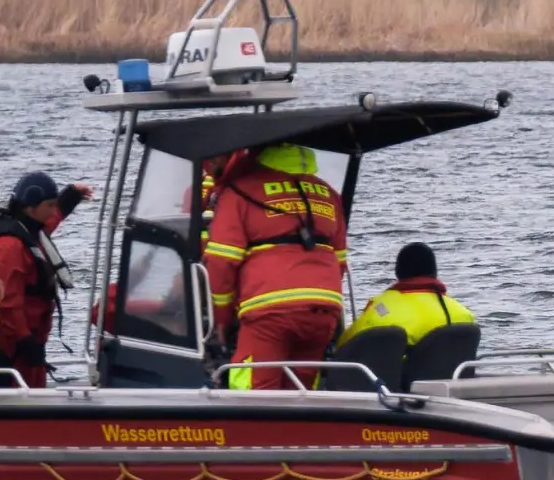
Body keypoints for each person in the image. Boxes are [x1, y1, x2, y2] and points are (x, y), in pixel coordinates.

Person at [202, 143, 348, 390]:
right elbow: (340, 260)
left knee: (252, 388)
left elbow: (221, 261)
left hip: (269, 310)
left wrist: (221, 319)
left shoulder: (239, 192)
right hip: (323, 308)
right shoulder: (328, 193)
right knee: (302, 392)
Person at [0, 173, 94, 387]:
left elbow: (48, 222)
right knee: (18, 401)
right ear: (31, 206)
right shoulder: (9, 246)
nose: (54, 211)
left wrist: (70, 196)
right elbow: (8, 304)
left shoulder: (29, 231)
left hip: (32, 341)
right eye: (50, 205)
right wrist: (25, 340)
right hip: (15, 347)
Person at [337, 242, 475, 349]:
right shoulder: (464, 315)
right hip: (451, 380)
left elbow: (344, 344)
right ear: (434, 272)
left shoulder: (381, 310)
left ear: (398, 272)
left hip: (397, 384)